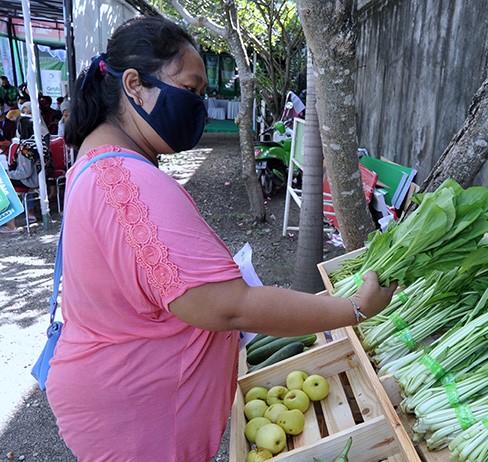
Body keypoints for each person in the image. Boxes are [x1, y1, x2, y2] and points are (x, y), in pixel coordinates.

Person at [45, 16, 397, 461]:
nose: (200, 104)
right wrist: (356, 309)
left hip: (115, 401)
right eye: (191, 90)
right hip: (140, 425)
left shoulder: (94, 165)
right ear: (134, 85)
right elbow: (230, 307)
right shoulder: (129, 182)